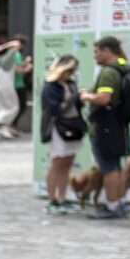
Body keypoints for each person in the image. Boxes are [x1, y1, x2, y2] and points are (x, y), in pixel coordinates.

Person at [81, 34, 130, 219]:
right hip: (118, 123)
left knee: (108, 168)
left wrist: (87, 96)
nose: (95, 56)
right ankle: (119, 203)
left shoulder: (108, 72)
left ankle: (112, 207)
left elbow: (104, 99)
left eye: (97, 52)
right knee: (116, 166)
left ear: (106, 51)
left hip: (104, 124)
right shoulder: (124, 67)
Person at [39, 54, 86, 213]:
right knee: (57, 163)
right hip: (58, 127)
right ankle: (52, 200)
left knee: (67, 163)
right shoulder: (50, 86)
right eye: (69, 70)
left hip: (74, 125)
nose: (71, 74)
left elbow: (76, 105)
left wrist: (81, 99)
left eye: (73, 71)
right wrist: (74, 98)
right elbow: (54, 109)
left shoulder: (71, 84)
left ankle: (63, 197)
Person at [0, 39, 24, 137]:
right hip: (6, 86)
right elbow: (17, 44)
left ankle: (3, 127)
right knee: (13, 106)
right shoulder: (7, 58)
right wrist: (5, 45)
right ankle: (3, 126)